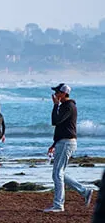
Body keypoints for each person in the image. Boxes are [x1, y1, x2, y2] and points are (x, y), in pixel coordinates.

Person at [44, 84, 92, 212]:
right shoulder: (65, 106)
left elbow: (55, 122)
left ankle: (58, 205)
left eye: (57, 92)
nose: (55, 95)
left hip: (67, 143)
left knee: (57, 174)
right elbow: (62, 127)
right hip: (63, 142)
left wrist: (55, 105)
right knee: (59, 174)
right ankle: (85, 191)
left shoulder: (68, 106)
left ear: (64, 94)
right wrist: (54, 144)